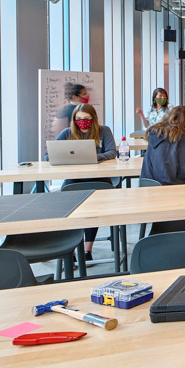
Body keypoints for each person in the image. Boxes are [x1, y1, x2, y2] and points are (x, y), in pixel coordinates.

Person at [54, 103, 117, 257]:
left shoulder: (103, 131)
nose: (83, 121)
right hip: (75, 180)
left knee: (92, 207)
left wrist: (94, 157)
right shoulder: (67, 133)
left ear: (93, 118)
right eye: (79, 118)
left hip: (99, 180)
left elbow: (112, 152)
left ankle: (86, 250)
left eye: (87, 118)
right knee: (68, 206)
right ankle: (70, 248)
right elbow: (50, 155)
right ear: (74, 119)